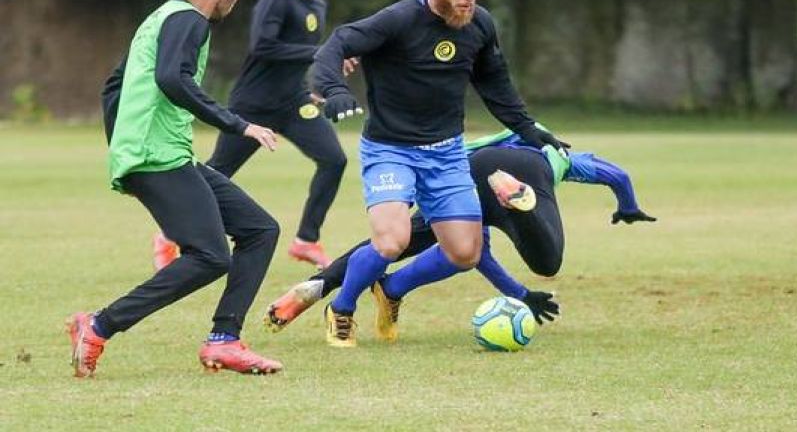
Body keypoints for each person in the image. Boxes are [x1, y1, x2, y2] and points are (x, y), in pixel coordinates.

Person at [311, 0, 567, 348]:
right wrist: (333, 89)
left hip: (446, 154)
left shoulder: (480, 25)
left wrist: (531, 130)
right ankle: (342, 308)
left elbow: (496, 86)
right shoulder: (398, 20)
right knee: (391, 241)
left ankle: (390, 291)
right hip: (390, 150)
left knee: (464, 253)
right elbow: (337, 44)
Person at [69, 0, 284, 377]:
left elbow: (113, 87)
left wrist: (123, 153)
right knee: (208, 256)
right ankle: (99, 325)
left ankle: (224, 340)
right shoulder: (189, 20)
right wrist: (237, 123)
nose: (236, 2)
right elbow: (173, 79)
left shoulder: (162, 16)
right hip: (158, 156)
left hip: (161, 154)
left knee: (260, 229)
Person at [262, 128, 655, 344]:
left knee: (393, 240)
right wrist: (627, 204)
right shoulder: (559, 156)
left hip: (462, 171)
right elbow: (616, 173)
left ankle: (327, 285)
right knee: (546, 262)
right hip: (524, 175)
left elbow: (474, 248)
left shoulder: (485, 145)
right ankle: (523, 204)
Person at [192, 0, 345, 269]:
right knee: (219, 172)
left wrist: (312, 86)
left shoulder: (317, 4)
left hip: (293, 103)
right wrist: (321, 52)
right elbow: (264, 47)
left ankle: (307, 240)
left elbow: (298, 56)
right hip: (254, 105)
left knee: (334, 160)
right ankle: (170, 234)